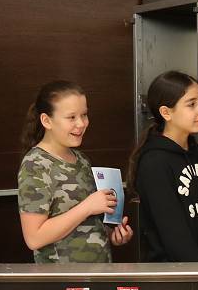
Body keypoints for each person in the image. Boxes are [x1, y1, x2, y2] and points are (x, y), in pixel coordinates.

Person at [17, 81, 132, 263]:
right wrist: (87, 207)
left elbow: (84, 224)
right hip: (63, 277)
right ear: (46, 121)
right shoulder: (35, 164)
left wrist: (112, 234)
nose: (81, 123)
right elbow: (34, 238)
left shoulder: (82, 160)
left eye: (84, 115)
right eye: (71, 117)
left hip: (99, 273)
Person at [127, 70, 198, 262]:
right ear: (166, 112)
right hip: (175, 273)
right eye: (191, 104)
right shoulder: (154, 163)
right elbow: (173, 234)